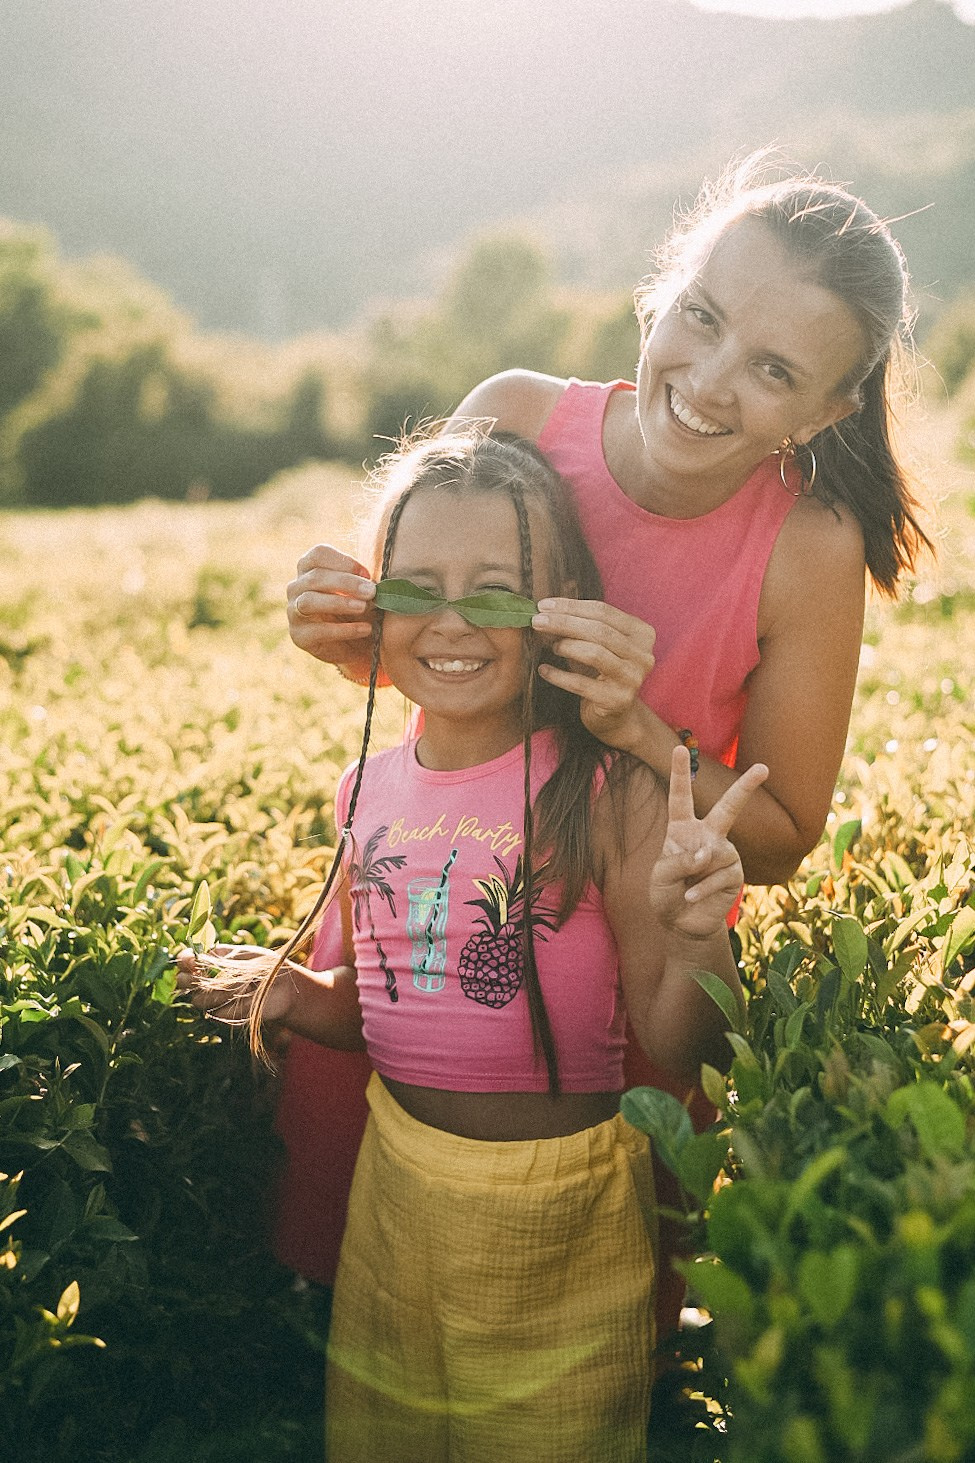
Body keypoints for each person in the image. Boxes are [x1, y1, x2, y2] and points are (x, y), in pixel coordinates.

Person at [278, 157, 932, 1331]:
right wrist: (344, 639)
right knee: (361, 1269)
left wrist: (639, 725)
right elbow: (431, 655)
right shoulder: (520, 414)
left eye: (775, 369)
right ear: (661, 294)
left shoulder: (810, 545)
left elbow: (779, 837)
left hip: (635, 966)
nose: (712, 381)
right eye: (703, 318)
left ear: (829, 409)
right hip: (429, 907)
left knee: (581, 1320)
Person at [179, 429, 769, 1461]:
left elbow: (686, 1051)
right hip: (396, 1190)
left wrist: (697, 938)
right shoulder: (364, 792)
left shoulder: (605, 791)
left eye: (497, 591)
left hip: (565, 1210)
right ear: (375, 606)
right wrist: (284, 995)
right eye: (416, 588)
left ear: (558, 612)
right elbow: (380, 1003)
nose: (452, 622)